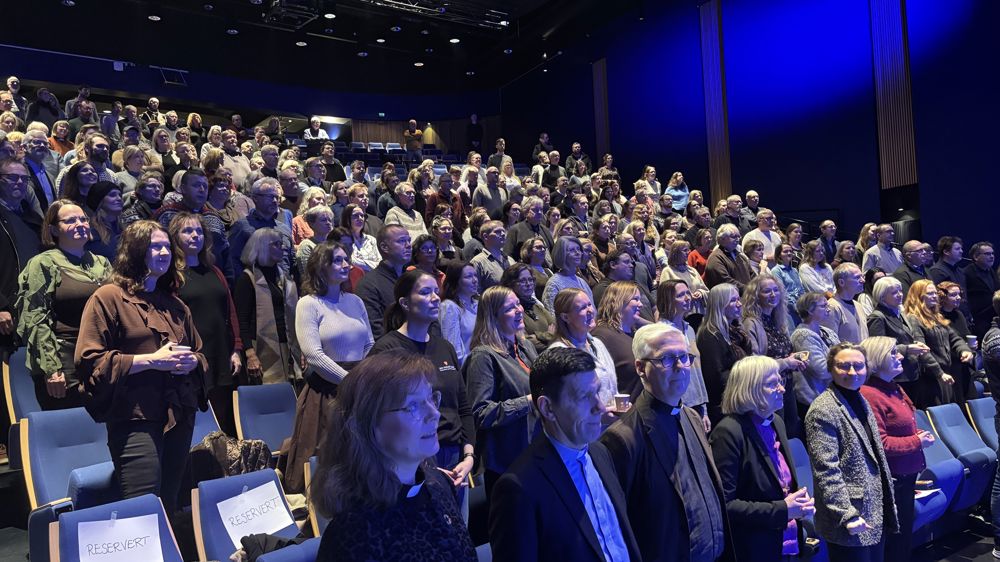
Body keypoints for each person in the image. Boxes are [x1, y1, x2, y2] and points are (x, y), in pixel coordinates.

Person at [75, 220, 206, 516]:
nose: (164, 253)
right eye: (155, 247)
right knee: (142, 507)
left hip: (178, 414)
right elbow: (90, 361)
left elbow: (199, 352)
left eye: (167, 247)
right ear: (135, 252)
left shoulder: (174, 304)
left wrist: (192, 362)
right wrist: (152, 361)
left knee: (170, 504)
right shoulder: (108, 297)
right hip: (135, 417)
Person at [310, 353, 476, 561]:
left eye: (431, 398)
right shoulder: (352, 534)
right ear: (367, 425)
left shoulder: (439, 484)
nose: (434, 414)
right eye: (413, 406)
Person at [489, 346, 641, 562]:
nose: (599, 406)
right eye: (584, 396)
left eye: (597, 392)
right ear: (548, 408)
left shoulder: (601, 452)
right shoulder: (519, 488)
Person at [600, 323, 733, 561]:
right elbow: (624, 528)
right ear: (640, 368)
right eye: (667, 359)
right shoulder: (623, 438)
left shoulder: (691, 417)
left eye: (684, 357)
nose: (680, 367)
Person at [369, 269, 476, 503]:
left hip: (456, 460)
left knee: (457, 525)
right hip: (411, 462)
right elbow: (378, 417)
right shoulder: (387, 350)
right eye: (426, 292)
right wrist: (424, 467)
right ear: (405, 303)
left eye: (436, 291)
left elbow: (463, 407)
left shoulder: (445, 347)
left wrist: (469, 456)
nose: (435, 298)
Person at [285, 241, 373, 493]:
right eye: (338, 260)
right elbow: (313, 355)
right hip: (327, 390)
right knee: (327, 458)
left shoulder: (355, 301)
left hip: (359, 385)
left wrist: (362, 378)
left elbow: (369, 342)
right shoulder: (309, 304)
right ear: (321, 266)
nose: (346, 265)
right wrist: (349, 381)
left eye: (346, 259)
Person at [709, 355, 816, 561]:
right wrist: (783, 510)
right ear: (750, 389)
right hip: (754, 549)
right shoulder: (728, 432)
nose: (782, 389)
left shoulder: (776, 422)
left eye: (780, 381)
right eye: (773, 384)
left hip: (787, 542)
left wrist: (799, 505)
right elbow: (726, 506)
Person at [804, 342, 899, 562]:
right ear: (831, 369)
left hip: (873, 508)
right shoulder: (822, 410)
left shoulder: (860, 398)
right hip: (849, 516)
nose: (852, 372)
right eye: (844, 366)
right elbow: (826, 470)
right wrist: (846, 514)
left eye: (858, 366)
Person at [15, 200, 111, 410]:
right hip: (64, 360)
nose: (80, 224)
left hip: (101, 357)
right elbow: (35, 318)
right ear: (53, 230)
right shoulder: (43, 263)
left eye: (83, 219)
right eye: (70, 221)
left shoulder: (101, 262)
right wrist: (51, 368)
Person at [858, 336, 934, 562]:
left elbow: (903, 427)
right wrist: (917, 442)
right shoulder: (869, 394)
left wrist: (916, 434)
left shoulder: (895, 388)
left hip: (906, 476)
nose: (900, 355)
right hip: (892, 480)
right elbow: (880, 443)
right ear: (877, 358)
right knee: (894, 545)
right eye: (893, 352)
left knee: (902, 541)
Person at [168, 213, 241, 437]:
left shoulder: (214, 270)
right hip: (193, 355)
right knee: (199, 419)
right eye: (187, 231)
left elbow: (230, 310)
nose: (195, 236)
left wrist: (236, 349)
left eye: (199, 231)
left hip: (220, 351)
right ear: (175, 237)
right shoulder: (172, 275)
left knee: (224, 417)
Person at [464, 285, 539, 496]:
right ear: (493, 317)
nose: (519, 310)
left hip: (535, 453)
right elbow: (481, 413)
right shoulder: (483, 356)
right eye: (510, 308)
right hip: (507, 464)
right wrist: (529, 401)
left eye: (518, 304)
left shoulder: (525, 347)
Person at [741, 273, 808, 438]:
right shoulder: (751, 323)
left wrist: (794, 359)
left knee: (792, 432)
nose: (773, 295)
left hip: (786, 384)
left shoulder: (778, 318)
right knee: (779, 434)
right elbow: (755, 363)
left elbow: (783, 352)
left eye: (775, 290)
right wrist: (787, 362)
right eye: (766, 291)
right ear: (756, 296)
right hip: (768, 389)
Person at [234, 228, 301, 384]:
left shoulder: (283, 276)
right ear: (262, 246)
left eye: (282, 243)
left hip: (287, 344)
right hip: (261, 347)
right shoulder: (247, 278)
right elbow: (242, 320)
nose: (282, 247)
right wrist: (250, 353)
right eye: (276, 244)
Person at [866, 276, 937, 408]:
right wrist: (907, 348)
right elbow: (879, 350)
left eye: (900, 291)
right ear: (882, 296)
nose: (899, 295)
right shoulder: (877, 317)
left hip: (911, 373)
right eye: (894, 292)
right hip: (897, 376)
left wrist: (916, 344)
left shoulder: (900, 313)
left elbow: (906, 337)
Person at [902, 278, 974, 406]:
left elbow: (954, 338)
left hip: (944, 374)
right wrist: (939, 373)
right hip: (930, 379)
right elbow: (922, 350)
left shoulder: (936, 316)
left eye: (935, 293)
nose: (934, 296)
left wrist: (964, 350)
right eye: (930, 293)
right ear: (918, 296)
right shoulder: (913, 319)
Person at [549, 288, 619, 409]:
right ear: (565, 317)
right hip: (588, 420)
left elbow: (612, 388)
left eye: (589, 305)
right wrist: (603, 414)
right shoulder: (560, 353)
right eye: (582, 308)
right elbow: (569, 403)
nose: (590, 311)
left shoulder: (597, 343)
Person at [698, 283, 753, 424]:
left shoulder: (733, 330)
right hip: (724, 408)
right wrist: (749, 376)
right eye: (733, 300)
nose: (739, 304)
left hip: (739, 397)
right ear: (720, 304)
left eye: (738, 299)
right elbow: (717, 377)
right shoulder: (709, 335)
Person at [592, 280, 647, 402]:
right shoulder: (602, 335)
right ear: (619, 301)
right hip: (620, 411)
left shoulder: (634, 334)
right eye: (635, 299)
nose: (641, 304)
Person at [355, 224, 412, 340]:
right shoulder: (368, 284)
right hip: (393, 349)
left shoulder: (413, 279)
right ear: (384, 247)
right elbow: (377, 332)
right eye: (402, 241)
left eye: (409, 240)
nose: (408, 245)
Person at [790, 292, 840, 413]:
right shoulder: (802, 335)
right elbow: (822, 370)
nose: (828, 309)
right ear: (810, 310)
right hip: (814, 401)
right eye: (823, 306)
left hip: (830, 397)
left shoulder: (828, 332)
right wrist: (842, 366)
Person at [501, 263, 555, 353]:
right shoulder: (511, 311)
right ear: (510, 284)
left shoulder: (537, 306)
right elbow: (526, 343)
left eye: (530, 280)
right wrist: (549, 335)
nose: (528, 284)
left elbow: (559, 330)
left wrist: (538, 336)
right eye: (522, 281)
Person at [440, 260, 479, 365]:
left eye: (475, 275)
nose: (475, 280)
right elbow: (454, 351)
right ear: (456, 281)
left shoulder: (478, 304)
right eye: (468, 277)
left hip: (484, 363)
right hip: (467, 368)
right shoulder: (449, 307)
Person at [542, 236, 593, 313]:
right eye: (572, 250)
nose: (577, 253)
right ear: (562, 254)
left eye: (578, 249)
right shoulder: (553, 284)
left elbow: (592, 310)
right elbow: (552, 315)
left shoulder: (582, 281)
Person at [823, 263, 869, 344]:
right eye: (857, 277)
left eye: (862, 276)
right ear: (841, 282)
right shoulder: (831, 307)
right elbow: (830, 343)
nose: (863, 280)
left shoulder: (858, 305)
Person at [963, 241, 999, 342]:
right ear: (976, 257)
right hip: (978, 320)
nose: (991, 256)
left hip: (992, 318)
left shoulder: (991, 271)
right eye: (987, 254)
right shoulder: (966, 273)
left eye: (992, 253)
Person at [704, 223, 752, 291]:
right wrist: (749, 290)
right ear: (722, 238)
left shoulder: (740, 255)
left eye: (738, 236)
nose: (737, 239)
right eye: (733, 236)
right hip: (730, 296)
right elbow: (725, 281)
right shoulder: (715, 258)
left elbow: (752, 274)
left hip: (747, 295)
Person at [470, 220, 514, 291]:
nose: (503, 234)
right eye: (498, 231)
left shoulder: (510, 260)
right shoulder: (477, 262)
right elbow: (475, 291)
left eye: (504, 231)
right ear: (485, 236)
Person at [295, 205, 335, 275]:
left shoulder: (335, 243)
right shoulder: (307, 246)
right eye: (323, 220)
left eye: (330, 220)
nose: (328, 223)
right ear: (312, 224)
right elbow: (306, 273)